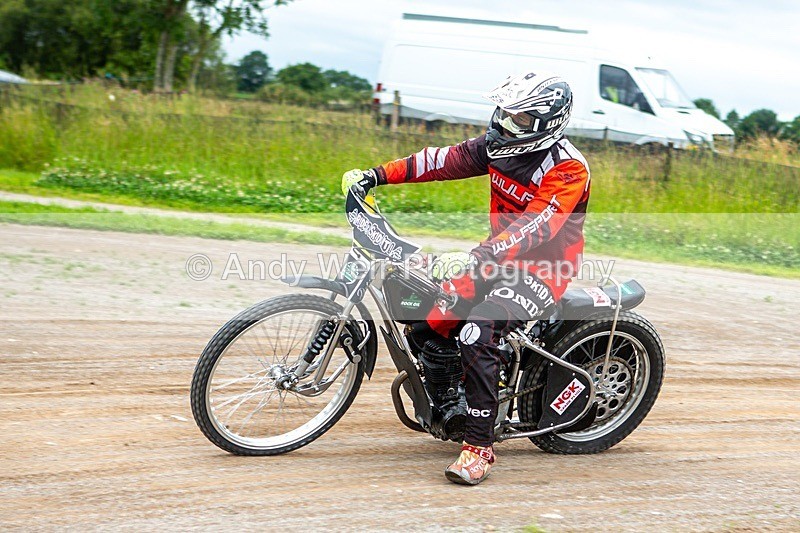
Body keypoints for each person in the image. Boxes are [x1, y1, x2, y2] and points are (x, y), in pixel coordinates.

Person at [341, 71, 591, 485]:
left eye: (520, 120)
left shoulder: (567, 170)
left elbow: (538, 226)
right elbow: (442, 160)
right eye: (504, 114)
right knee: (427, 321)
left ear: (548, 123)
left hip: (544, 270)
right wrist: (375, 175)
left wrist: (477, 256)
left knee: (478, 330)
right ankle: (451, 404)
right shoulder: (496, 146)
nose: (506, 125)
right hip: (495, 257)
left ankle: (479, 447)